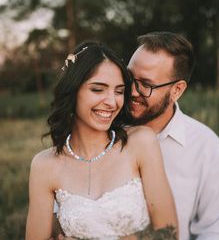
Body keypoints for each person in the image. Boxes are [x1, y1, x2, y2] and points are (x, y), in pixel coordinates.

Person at [25, 41, 178, 239]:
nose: (112, 102)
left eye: (119, 91)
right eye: (98, 89)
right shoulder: (44, 166)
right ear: (72, 91)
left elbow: (169, 233)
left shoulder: (141, 143)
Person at [127, 31, 219, 240]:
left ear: (177, 90)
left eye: (146, 85)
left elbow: (215, 231)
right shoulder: (104, 130)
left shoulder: (206, 147)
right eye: (129, 76)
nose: (132, 91)